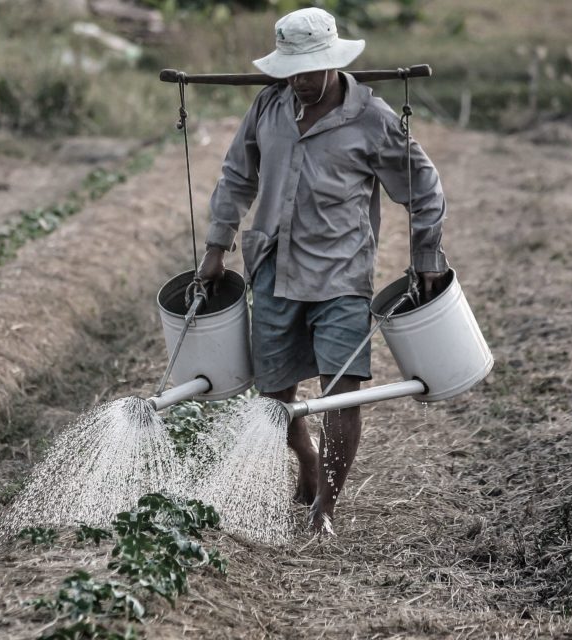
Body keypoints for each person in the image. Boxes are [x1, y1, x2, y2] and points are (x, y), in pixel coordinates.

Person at [194, 7, 451, 534]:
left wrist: (426, 256)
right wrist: (215, 247)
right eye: (291, 71)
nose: (300, 82)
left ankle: (324, 509)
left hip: (341, 275)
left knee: (343, 392)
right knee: (274, 398)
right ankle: (307, 461)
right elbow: (236, 176)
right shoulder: (268, 106)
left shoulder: (372, 119)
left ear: (333, 63)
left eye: (309, 71)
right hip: (272, 268)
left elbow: (424, 190)